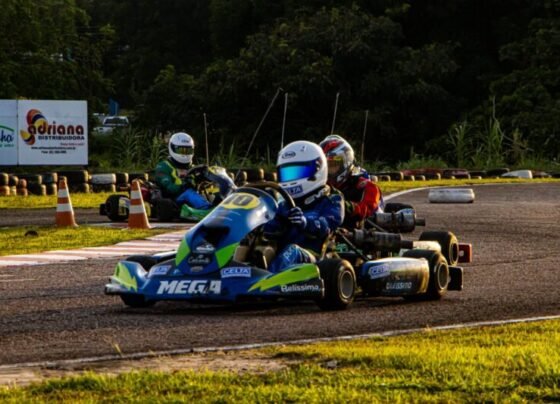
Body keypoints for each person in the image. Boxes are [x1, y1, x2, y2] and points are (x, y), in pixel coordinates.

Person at [264, 140, 344, 273]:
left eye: (297, 172)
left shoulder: (332, 199)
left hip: (315, 256)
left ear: (317, 169)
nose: (290, 179)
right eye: (287, 174)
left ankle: (268, 281)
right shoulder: (284, 204)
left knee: (292, 251)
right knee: (255, 247)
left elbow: (326, 225)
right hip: (281, 254)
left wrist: (306, 223)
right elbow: (271, 229)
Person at [319, 134, 384, 229]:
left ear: (345, 163)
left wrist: (347, 206)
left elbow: (367, 209)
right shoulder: (322, 186)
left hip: (363, 228)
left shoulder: (367, 186)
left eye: (332, 165)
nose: (327, 171)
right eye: (324, 166)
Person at [154, 132, 212, 210]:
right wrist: (184, 184)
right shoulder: (163, 166)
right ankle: (206, 209)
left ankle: (222, 206)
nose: (185, 154)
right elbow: (170, 188)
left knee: (213, 191)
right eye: (181, 150)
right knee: (189, 193)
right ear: (172, 148)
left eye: (188, 151)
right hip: (174, 199)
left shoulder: (193, 168)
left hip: (193, 197)